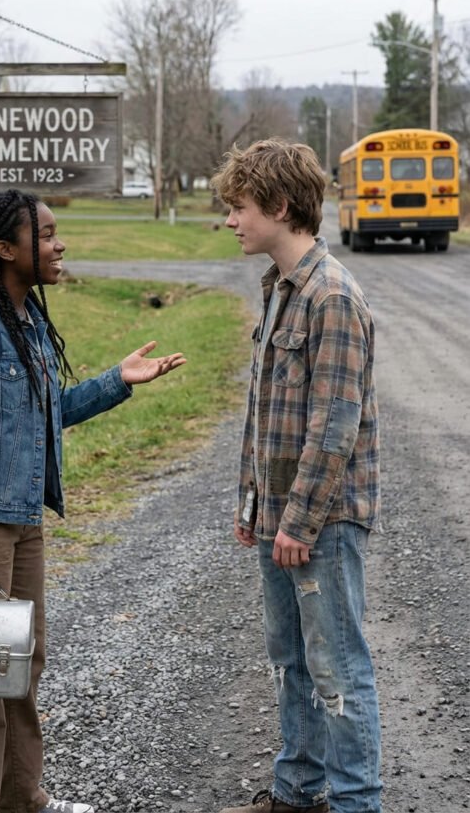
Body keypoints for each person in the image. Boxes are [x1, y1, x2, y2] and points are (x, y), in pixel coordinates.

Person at [0, 189, 186, 813]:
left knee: (20, 663)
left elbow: (41, 415)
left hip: (20, 517)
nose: (59, 244)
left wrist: (115, 382)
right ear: (5, 249)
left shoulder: (28, 321)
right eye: (44, 235)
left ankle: (22, 799)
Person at [210, 141, 382, 813]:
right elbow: (265, 415)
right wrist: (253, 506)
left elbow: (334, 427)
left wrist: (300, 522)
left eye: (240, 207)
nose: (231, 220)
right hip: (279, 518)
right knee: (291, 660)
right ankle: (297, 792)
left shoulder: (331, 295)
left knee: (337, 665)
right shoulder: (279, 288)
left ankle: (355, 802)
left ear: (281, 206)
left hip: (321, 523)